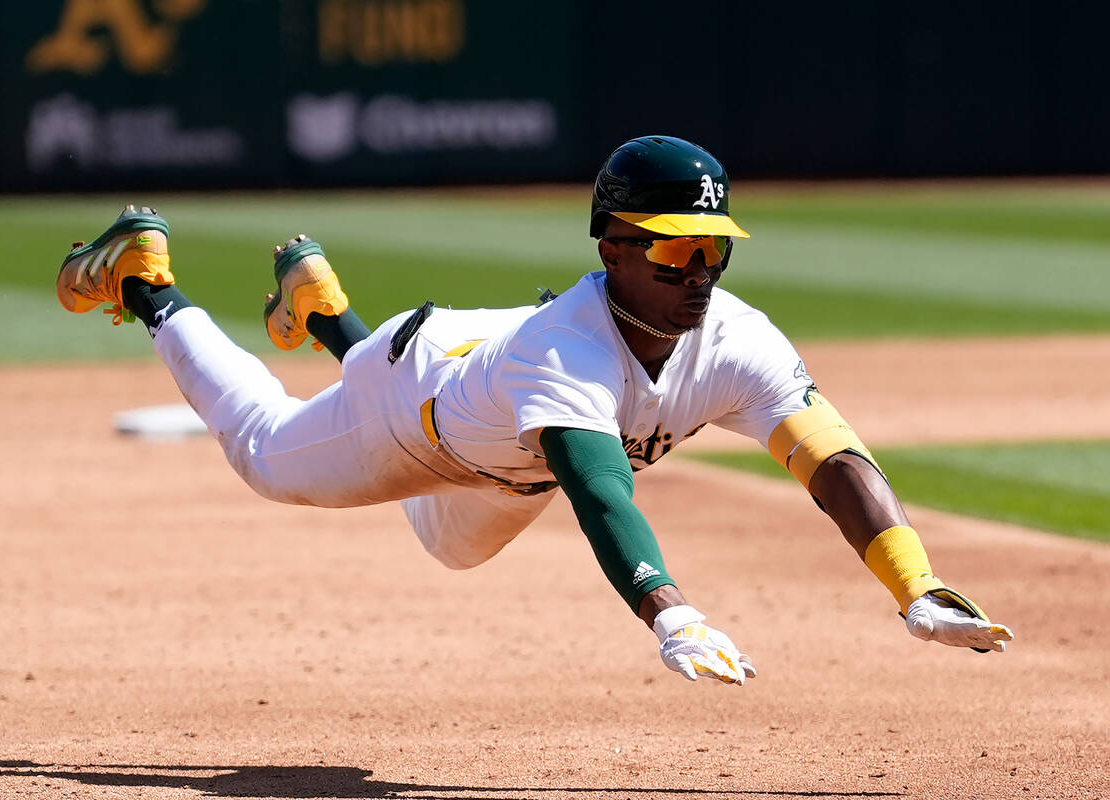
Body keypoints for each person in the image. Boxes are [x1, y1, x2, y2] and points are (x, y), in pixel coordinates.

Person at [56, 135, 1013, 686]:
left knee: (451, 548)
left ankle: (326, 314)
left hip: (496, 430)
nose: (702, 275)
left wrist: (915, 586)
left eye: (715, 250)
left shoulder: (734, 336)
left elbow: (832, 458)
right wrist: (669, 612)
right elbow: (602, 492)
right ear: (615, 245)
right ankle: (149, 284)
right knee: (265, 453)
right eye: (677, 252)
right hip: (416, 406)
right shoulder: (572, 356)